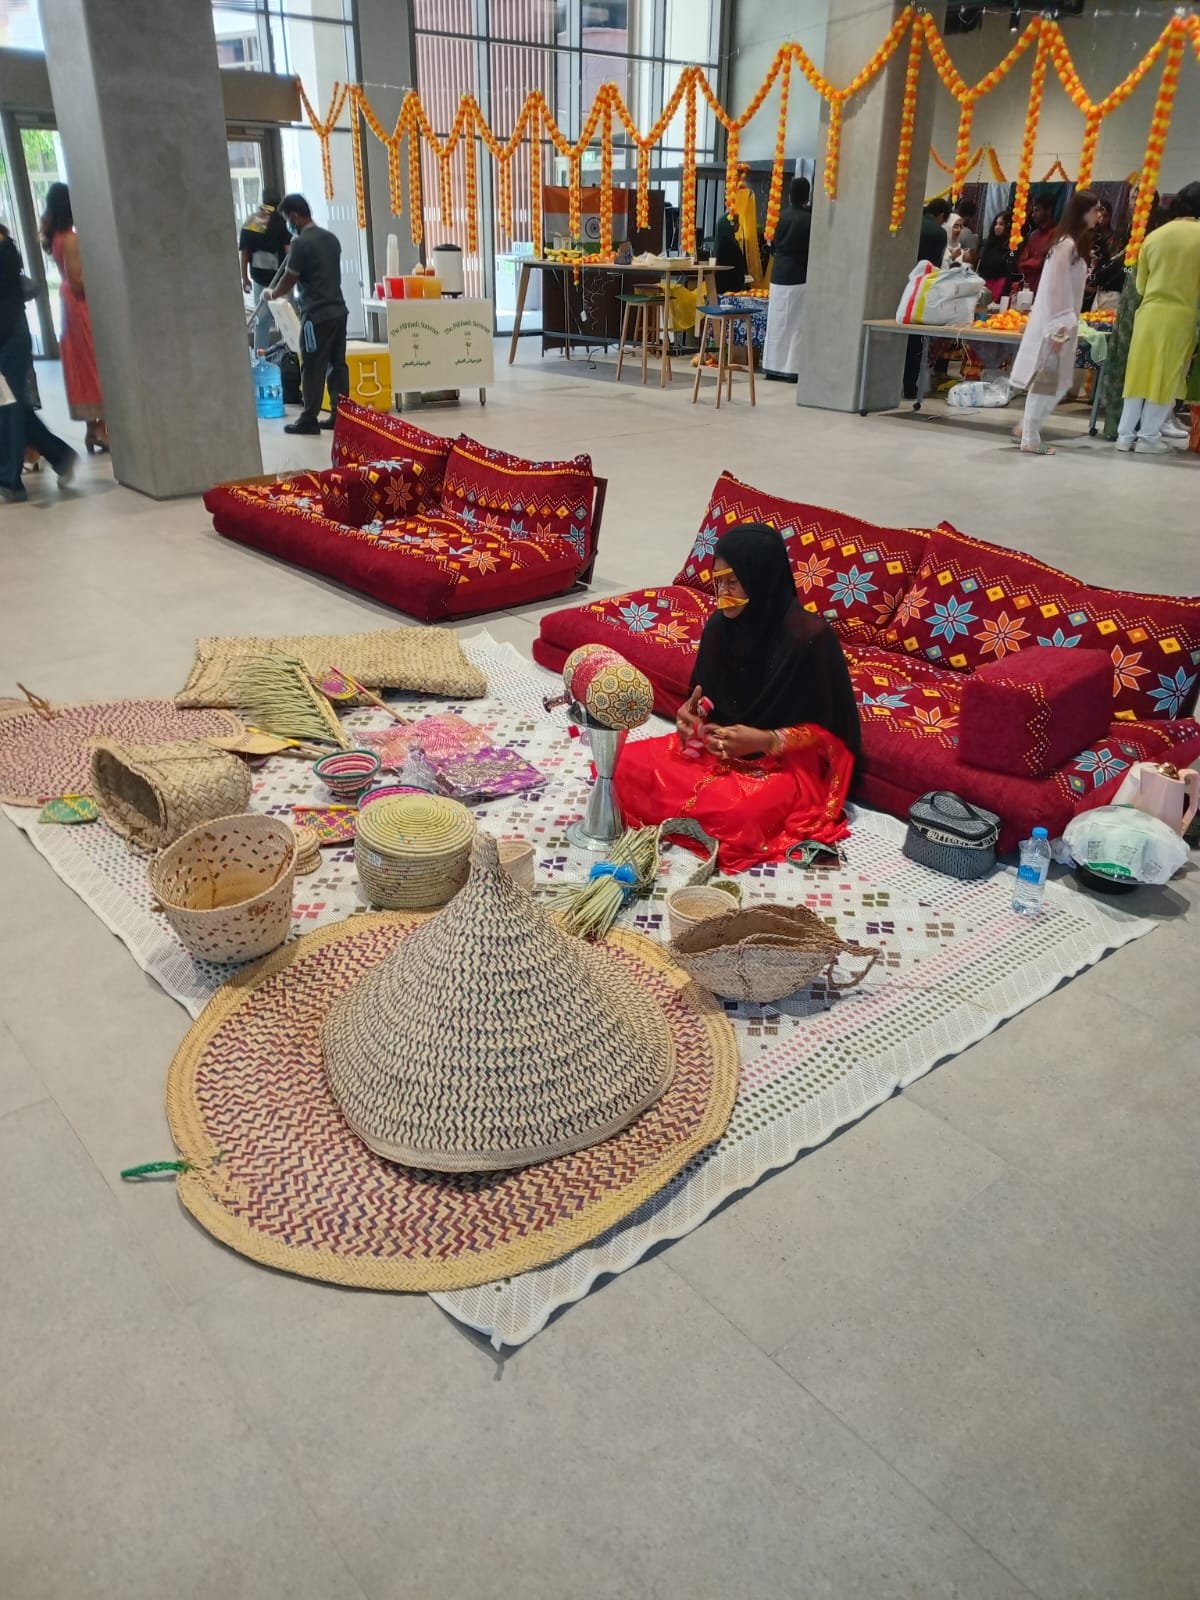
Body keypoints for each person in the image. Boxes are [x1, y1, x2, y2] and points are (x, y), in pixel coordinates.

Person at [613, 524, 861, 873]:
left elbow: (834, 737)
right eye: (718, 582)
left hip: (781, 765)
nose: (722, 593)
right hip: (716, 749)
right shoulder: (720, 626)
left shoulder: (808, 639)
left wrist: (767, 740)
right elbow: (707, 700)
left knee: (737, 815)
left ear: (762, 580)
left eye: (733, 582)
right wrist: (692, 715)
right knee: (624, 764)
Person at [1010, 188, 1101, 455]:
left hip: (1062, 321)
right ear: (1083, 212)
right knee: (1049, 380)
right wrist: (1060, 327)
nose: (1099, 215)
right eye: (1096, 210)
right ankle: (1029, 434)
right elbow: (1056, 288)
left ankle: (1028, 428)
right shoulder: (1066, 245)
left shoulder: (1071, 244)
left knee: (1057, 381)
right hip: (1057, 322)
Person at [1116, 180, 1200, 455]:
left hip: (1149, 312)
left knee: (1138, 373)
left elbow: (1141, 284)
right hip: (1180, 315)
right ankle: (1149, 437)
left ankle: (1125, 436)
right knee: (1167, 375)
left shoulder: (1154, 236)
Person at [0, 223, 76, 502]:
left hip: (8, 335)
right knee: (12, 405)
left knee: (8, 405)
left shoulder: (3, 247)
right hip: (9, 332)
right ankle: (60, 455)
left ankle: (9, 481)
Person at [269, 193, 348, 435]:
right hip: (338, 311)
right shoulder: (331, 239)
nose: (288, 224)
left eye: (287, 219)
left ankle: (309, 418)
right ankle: (340, 416)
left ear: (294, 216)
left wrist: (272, 294)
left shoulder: (301, 243)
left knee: (312, 365)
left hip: (316, 315)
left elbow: (289, 278)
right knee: (337, 365)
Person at [38, 182, 107, 453]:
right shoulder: (71, 239)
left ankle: (93, 427)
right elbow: (79, 281)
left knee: (82, 362)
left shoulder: (56, 237)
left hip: (69, 306)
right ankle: (100, 429)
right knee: (95, 362)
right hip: (80, 305)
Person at [762, 176, 811, 381]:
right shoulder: (810, 219)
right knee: (796, 325)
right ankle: (792, 369)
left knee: (776, 322)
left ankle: (772, 367)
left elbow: (772, 246)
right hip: (800, 275)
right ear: (807, 196)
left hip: (778, 275)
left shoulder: (779, 217)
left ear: (789, 195)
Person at [902, 197, 951, 399]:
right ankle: (910, 386)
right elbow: (933, 269)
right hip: (917, 292)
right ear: (941, 216)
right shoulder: (937, 232)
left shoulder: (908, 220)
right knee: (915, 341)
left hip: (895, 286)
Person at [239, 189, 290, 353]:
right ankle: (289, 353)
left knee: (262, 320)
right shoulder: (281, 222)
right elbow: (289, 251)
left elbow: (245, 252)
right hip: (282, 279)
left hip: (260, 279)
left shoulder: (253, 221)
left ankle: (260, 355)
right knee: (286, 319)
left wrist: (245, 277)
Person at [1086, 198, 1125, 310]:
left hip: (1105, 289)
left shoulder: (1115, 238)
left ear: (1109, 215)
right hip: (1086, 285)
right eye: (1096, 210)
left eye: (1102, 209)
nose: (1099, 214)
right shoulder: (1089, 236)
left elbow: (1116, 264)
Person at [1015, 195, 1057, 296]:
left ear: (1049, 210)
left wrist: (1031, 263)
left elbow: (1046, 262)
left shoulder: (1057, 234)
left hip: (1048, 289)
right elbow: (1021, 263)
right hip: (1029, 289)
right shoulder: (1033, 235)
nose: (1033, 215)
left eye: (1037, 210)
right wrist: (1033, 263)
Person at [977, 209, 1015, 301]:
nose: (997, 227)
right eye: (996, 224)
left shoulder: (1012, 247)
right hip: (985, 283)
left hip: (1001, 285)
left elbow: (1009, 268)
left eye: (1001, 224)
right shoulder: (989, 244)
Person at [712, 210, 749, 296]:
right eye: (736, 223)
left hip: (726, 289)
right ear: (729, 225)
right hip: (730, 290)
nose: (739, 225)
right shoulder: (727, 244)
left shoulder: (723, 241)